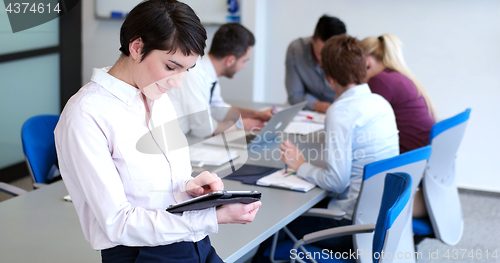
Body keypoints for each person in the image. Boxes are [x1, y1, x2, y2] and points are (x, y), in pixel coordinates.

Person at [54, 1, 261, 262]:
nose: (177, 83)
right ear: (137, 47)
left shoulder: (157, 97)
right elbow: (118, 223)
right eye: (171, 67)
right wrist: (213, 216)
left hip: (194, 242)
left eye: (186, 70)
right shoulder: (86, 115)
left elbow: (157, 184)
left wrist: (190, 187)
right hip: (141, 253)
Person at [280, 34, 399, 251]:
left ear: (330, 78)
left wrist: (300, 165)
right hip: (380, 220)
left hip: (348, 227)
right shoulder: (381, 104)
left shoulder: (340, 112)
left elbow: (337, 182)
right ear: (365, 66)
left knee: (278, 226)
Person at [169, 23, 273, 138]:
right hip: (175, 141)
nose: (243, 66)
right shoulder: (194, 73)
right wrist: (241, 124)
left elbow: (218, 109)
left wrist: (256, 115)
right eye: (244, 61)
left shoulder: (209, 72)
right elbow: (204, 129)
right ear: (230, 61)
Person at [362, 34, 437, 154]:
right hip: (418, 156)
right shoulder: (398, 77)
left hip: (405, 159)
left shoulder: (380, 81)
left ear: (366, 62)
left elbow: (365, 127)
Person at [285, 15, 346, 113]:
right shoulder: (296, 51)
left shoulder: (351, 55)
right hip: (309, 112)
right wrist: (325, 107)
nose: (326, 61)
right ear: (312, 40)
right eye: (321, 54)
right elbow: (295, 96)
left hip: (341, 111)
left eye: (332, 55)